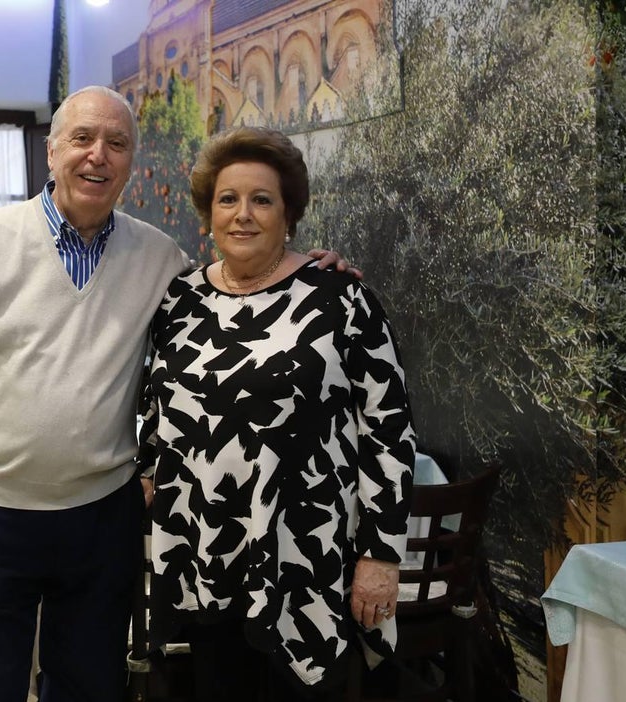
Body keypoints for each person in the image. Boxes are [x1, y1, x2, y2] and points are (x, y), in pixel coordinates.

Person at [0, 86, 357, 702]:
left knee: (91, 683)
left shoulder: (159, 258)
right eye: (83, 139)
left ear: (130, 161)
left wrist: (307, 268)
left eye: (116, 144)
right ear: (51, 152)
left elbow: (235, 281)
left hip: (102, 518)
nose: (98, 155)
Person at [139, 126, 416, 701]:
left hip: (307, 563)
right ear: (208, 214)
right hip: (204, 556)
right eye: (228, 199)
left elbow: (388, 428)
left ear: (288, 212)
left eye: (261, 199)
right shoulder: (181, 299)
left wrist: (382, 554)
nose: (243, 214)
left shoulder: (338, 297)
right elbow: (153, 404)